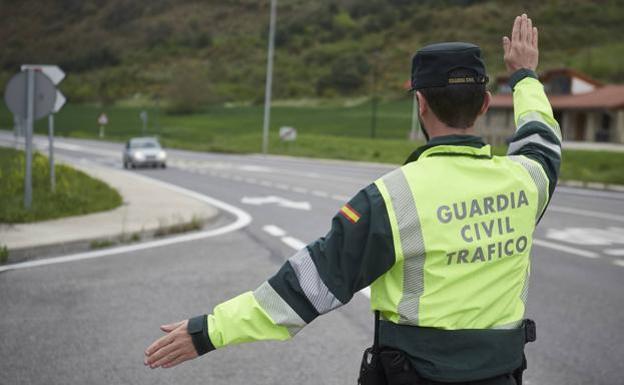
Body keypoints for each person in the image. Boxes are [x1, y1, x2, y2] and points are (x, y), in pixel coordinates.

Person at [145, 14, 561, 384]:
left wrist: (209, 331)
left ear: (420, 103)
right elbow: (541, 138)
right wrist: (524, 76)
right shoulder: (527, 181)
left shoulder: (390, 198)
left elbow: (306, 287)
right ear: (486, 103)